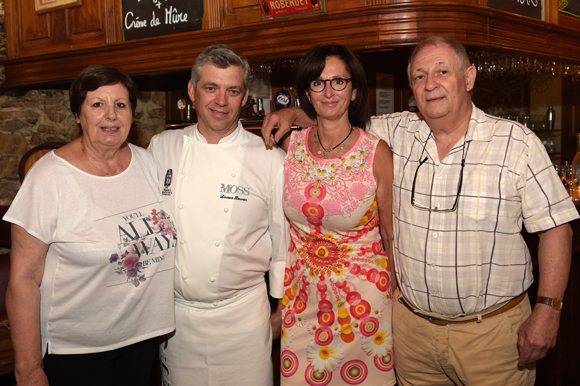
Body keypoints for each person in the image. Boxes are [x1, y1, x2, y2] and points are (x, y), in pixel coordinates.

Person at [262, 36, 579, 385]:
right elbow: (334, 115)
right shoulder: (398, 131)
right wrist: (290, 112)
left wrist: (548, 311)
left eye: (442, 71)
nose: (431, 85)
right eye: (419, 76)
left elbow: (557, 228)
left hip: (489, 335)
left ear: (469, 77)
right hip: (412, 333)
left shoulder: (516, 143)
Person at [4, 64, 177, 385]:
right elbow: (22, 281)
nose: (111, 115)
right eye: (98, 104)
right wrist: (27, 369)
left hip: (142, 341)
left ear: (132, 115)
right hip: (76, 352)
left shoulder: (147, 163)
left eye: (120, 105)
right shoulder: (49, 178)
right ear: (77, 115)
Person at [147, 44, 290, 386]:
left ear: (245, 98)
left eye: (233, 90)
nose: (221, 101)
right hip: (177, 321)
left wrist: (281, 311)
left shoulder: (269, 159)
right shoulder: (161, 147)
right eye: (211, 88)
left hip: (244, 319)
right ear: (192, 92)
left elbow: (283, 242)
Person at [276, 44, 395, 386]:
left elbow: (390, 234)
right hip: (301, 305)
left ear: (355, 90)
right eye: (318, 82)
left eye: (339, 81)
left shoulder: (376, 152)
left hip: (363, 306)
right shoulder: (290, 145)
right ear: (307, 94)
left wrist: (400, 301)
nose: (328, 91)